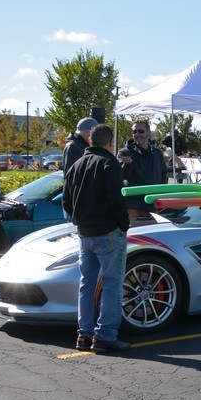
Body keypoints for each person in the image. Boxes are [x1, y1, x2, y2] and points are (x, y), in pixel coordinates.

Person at [61, 124, 131, 354]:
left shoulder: (76, 165)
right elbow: (116, 199)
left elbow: (66, 200)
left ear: (90, 140)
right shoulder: (109, 163)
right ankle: (105, 335)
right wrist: (123, 224)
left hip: (85, 232)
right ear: (110, 142)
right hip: (108, 231)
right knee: (112, 284)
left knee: (87, 283)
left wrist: (78, 220)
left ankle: (84, 333)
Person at [118, 118, 169, 219]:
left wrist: (159, 194)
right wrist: (127, 165)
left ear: (148, 133)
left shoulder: (157, 153)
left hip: (153, 205)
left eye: (141, 131)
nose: (137, 134)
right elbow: (121, 176)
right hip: (133, 207)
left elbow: (164, 174)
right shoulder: (124, 153)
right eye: (134, 131)